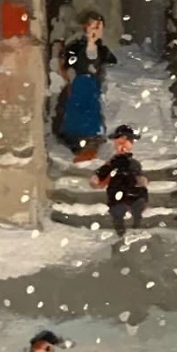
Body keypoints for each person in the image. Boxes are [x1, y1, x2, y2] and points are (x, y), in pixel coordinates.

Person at [58, 14, 116, 163]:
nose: (95, 30)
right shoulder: (76, 47)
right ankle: (78, 144)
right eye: (93, 26)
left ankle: (91, 145)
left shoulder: (102, 50)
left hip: (94, 86)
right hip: (79, 84)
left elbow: (112, 64)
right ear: (85, 28)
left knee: (93, 112)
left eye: (99, 27)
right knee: (77, 112)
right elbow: (66, 64)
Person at [92, 124, 149, 242]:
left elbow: (139, 174)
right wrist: (97, 177)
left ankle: (136, 221)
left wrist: (141, 180)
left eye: (127, 140)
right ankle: (120, 227)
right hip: (117, 188)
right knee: (117, 208)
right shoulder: (113, 162)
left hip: (132, 189)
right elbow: (104, 171)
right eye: (120, 141)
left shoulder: (133, 163)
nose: (123, 145)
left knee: (137, 202)